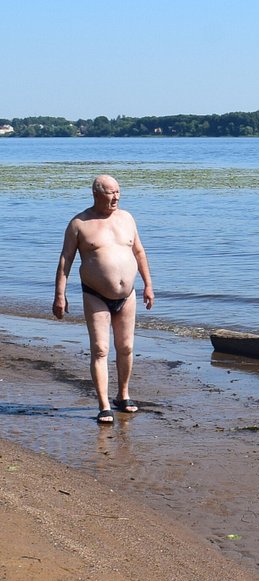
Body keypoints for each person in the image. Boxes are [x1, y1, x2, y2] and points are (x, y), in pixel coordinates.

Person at [52, 175, 154, 425]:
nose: (116, 197)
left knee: (126, 347)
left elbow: (139, 251)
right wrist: (59, 295)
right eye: (111, 193)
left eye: (118, 192)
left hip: (127, 296)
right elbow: (66, 260)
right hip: (95, 295)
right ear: (96, 194)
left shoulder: (127, 218)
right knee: (100, 349)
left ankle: (123, 395)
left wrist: (148, 285)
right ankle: (104, 405)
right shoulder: (79, 223)